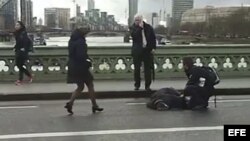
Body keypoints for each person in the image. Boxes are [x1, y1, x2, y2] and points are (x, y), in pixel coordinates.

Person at [65, 27, 103, 115]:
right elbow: (81, 56)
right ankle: (94, 105)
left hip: (73, 66)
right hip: (81, 67)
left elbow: (73, 54)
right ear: (83, 34)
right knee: (90, 85)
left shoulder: (71, 41)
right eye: (86, 34)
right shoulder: (81, 42)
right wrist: (88, 63)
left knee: (80, 87)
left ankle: (70, 104)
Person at [130, 14, 156, 91]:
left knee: (147, 69)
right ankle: (137, 85)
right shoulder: (133, 27)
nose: (137, 22)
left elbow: (153, 38)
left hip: (147, 51)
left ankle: (147, 86)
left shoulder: (148, 27)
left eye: (138, 20)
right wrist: (139, 28)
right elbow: (134, 36)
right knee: (137, 69)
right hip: (137, 51)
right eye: (136, 20)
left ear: (142, 20)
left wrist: (153, 48)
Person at [13, 21, 33, 85]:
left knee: (19, 65)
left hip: (22, 52)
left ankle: (20, 80)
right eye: (16, 25)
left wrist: (23, 48)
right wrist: (15, 47)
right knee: (19, 65)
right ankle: (29, 75)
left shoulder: (23, 33)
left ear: (21, 26)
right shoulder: (17, 33)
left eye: (18, 25)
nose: (16, 26)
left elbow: (25, 41)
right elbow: (18, 42)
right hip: (18, 51)